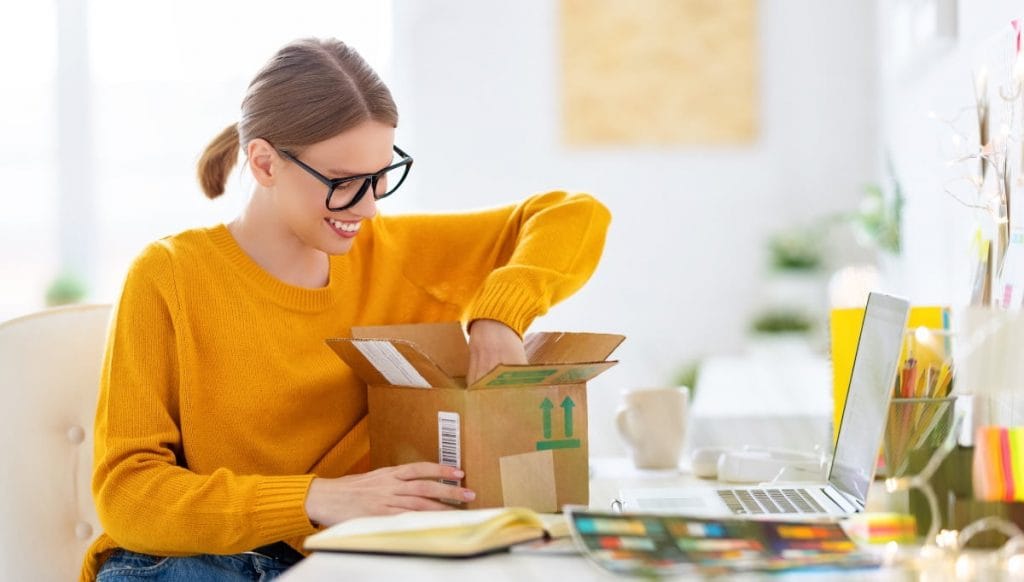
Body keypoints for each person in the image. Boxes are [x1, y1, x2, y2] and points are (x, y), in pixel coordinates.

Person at [84, 37, 609, 581]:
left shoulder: (392, 251)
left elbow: (575, 214)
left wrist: (500, 314)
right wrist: (316, 498)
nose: (368, 206)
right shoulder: (170, 275)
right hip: (196, 563)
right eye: (343, 183)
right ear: (264, 163)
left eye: (382, 175)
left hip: (345, 558)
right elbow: (127, 496)